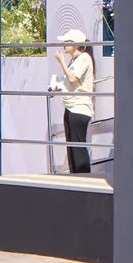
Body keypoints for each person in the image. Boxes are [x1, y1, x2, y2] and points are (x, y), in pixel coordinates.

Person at [49, 28, 98, 175]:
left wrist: (62, 62)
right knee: (71, 145)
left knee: (78, 145)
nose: (64, 44)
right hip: (70, 107)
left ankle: (83, 176)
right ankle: (74, 175)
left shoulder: (84, 58)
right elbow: (69, 83)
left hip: (79, 108)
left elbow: (72, 78)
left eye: (67, 41)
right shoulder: (76, 59)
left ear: (76, 44)